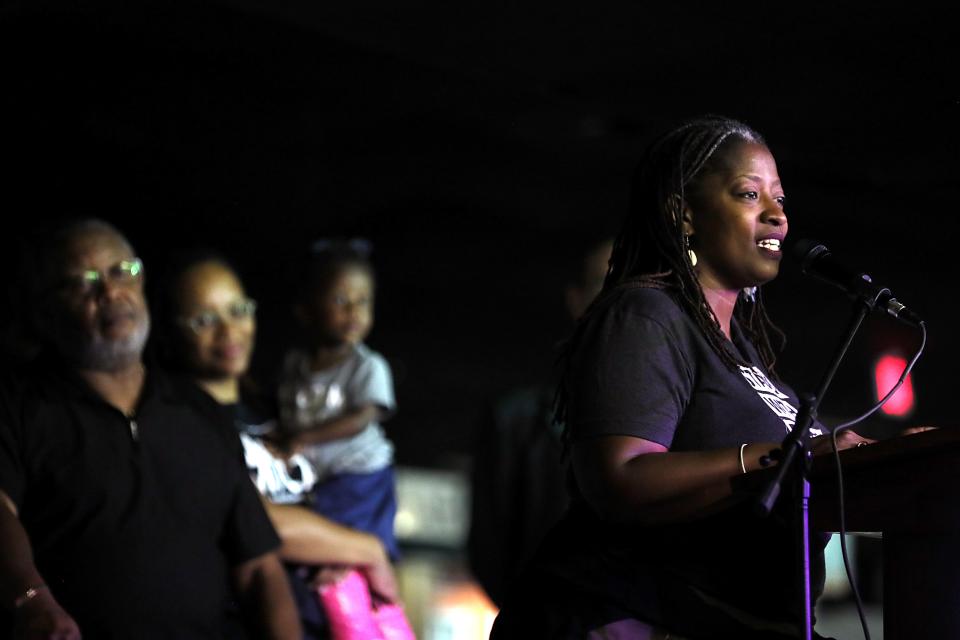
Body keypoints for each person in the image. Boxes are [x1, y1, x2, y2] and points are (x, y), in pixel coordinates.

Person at [490, 116, 875, 639]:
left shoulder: (743, 353)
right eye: (749, 194)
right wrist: (786, 459)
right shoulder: (646, 314)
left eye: (780, 199)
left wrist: (880, 460)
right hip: (630, 615)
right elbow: (621, 478)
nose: (778, 216)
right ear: (683, 212)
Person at [0, 220, 300, 639]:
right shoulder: (20, 406)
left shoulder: (200, 412)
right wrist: (31, 599)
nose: (110, 292)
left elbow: (260, 567)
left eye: (122, 271)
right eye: (84, 283)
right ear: (50, 308)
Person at [154, 251, 400, 638]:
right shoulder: (178, 421)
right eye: (204, 320)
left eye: (237, 310)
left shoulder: (274, 409)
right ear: (170, 331)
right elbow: (255, 520)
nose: (229, 331)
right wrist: (367, 549)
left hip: (328, 613)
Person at [468, 234, 613, 607]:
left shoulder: (693, 417)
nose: (620, 297)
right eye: (606, 282)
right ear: (577, 300)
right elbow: (490, 550)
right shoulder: (512, 422)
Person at [276, 240, 399, 561]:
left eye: (364, 301)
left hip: (360, 472)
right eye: (342, 300)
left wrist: (303, 438)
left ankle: (344, 569)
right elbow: (290, 413)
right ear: (306, 310)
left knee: (339, 537)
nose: (354, 312)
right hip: (321, 475)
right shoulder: (295, 365)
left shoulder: (367, 366)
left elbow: (361, 418)